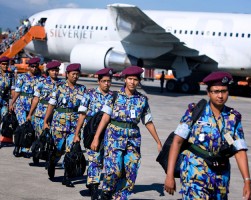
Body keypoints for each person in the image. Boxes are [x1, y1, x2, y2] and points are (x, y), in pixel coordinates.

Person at [164, 71, 251, 200]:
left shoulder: (233, 118)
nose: (220, 95)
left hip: (220, 177)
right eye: (216, 91)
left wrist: (247, 181)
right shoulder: (195, 111)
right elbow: (177, 141)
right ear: (208, 93)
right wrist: (169, 175)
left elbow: (239, 150)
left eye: (224, 91)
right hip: (195, 173)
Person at [91, 66, 162, 199]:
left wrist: (158, 142)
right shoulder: (114, 97)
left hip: (133, 140)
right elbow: (105, 117)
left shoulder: (142, 100)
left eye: (135, 79)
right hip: (114, 139)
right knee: (114, 171)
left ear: (139, 81)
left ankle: (120, 197)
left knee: (131, 171)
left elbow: (148, 121)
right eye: (130, 79)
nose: (132, 82)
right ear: (125, 79)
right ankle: (106, 192)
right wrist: (96, 137)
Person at [73, 68, 114, 199]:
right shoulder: (89, 94)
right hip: (91, 130)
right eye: (104, 81)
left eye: (109, 81)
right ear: (99, 81)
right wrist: (76, 133)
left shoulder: (114, 96)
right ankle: (94, 186)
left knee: (105, 160)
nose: (107, 84)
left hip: (108, 132)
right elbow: (82, 114)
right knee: (94, 159)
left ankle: (92, 182)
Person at [43, 63, 86, 187]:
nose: (75, 77)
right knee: (57, 150)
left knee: (70, 151)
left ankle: (67, 177)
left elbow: (84, 108)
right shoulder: (59, 87)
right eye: (73, 74)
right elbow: (51, 105)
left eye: (77, 74)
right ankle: (52, 162)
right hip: (58, 124)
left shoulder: (82, 89)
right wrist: (46, 121)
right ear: (67, 74)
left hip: (74, 125)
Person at [10, 57, 41, 156]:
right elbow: (17, 91)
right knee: (23, 126)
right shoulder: (22, 77)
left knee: (31, 128)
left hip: (34, 106)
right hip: (21, 105)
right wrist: (12, 103)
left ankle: (25, 149)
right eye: (32, 66)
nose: (34, 68)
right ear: (28, 67)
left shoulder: (41, 79)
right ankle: (18, 145)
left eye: (36, 66)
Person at [26, 60, 63, 137]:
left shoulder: (62, 84)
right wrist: (30, 114)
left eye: (56, 70)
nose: (55, 72)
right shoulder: (42, 82)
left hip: (55, 115)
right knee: (40, 136)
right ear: (48, 71)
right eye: (52, 71)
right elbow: (36, 99)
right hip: (41, 114)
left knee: (53, 137)